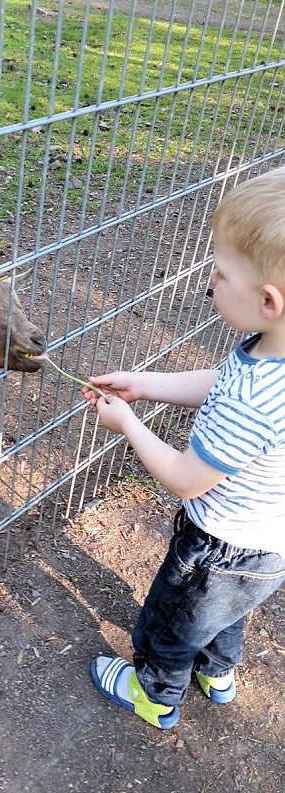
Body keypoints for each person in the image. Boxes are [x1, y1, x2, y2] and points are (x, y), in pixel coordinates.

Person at [83, 166, 285, 729]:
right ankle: (218, 674)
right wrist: (145, 386)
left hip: (219, 543)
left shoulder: (258, 397)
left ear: (269, 300)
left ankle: (153, 693)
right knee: (225, 614)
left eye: (219, 274)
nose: (209, 281)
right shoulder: (270, 356)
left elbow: (186, 478)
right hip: (268, 546)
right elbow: (219, 383)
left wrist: (128, 423)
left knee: (171, 623)